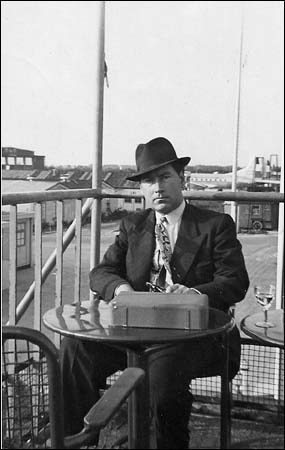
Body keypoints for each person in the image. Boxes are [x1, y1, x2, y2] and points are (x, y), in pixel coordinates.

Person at [59, 137, 249, 449]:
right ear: (142, 190)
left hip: (192, 335)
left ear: (182, 180)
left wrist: (192, 292)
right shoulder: (134, 224)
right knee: (75, 349)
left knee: (160, 376)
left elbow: (235, 281)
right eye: (148, 181)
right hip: (135, 331)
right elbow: (102, 272)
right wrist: (121, 289)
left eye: (164, 177)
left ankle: (167, 443)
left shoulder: (216, 224)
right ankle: (75, 439)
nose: (157, 187)